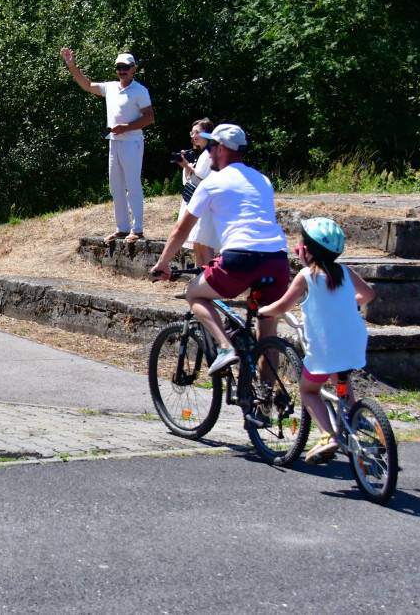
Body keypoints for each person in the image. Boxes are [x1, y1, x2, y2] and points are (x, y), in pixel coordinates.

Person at [151, 123, 290, 374]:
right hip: (278, 259)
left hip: (241, 258)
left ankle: (226, 348)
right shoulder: (263, 179)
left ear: (221, 148)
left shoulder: (213, 183)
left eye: (211, 147)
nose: (208, 153)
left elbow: (181, 230)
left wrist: (162, 264)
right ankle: (266, 403)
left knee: (194, 293)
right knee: (266, 329)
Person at [258, 218, 376, 464]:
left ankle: (327, 437)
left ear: (306, 251)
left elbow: (284, 305)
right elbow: (368, 294)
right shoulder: (345, 271)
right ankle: (354, 414)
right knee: (340, 374)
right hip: (353, 343)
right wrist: (347, 304)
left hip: (324, 349)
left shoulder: (306, 276)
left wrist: (266, 310)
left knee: (309, 390)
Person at [61, 48, 154, 243]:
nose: (122, 71)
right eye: (119, 67)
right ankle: (122, 228)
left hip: (132, 143)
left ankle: (137, 229)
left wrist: (126, 128)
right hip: (115, 143)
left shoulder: (140, 90)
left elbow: (149, 118)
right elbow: (86, 85)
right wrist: (71, 66)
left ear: (133, 69)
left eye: (126, 68)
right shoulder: (111, 87)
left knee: (133, 186)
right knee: (116, 187)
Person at [176, 117, 219, 268]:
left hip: (206, 204)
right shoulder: (201, 154)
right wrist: (187, 164)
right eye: (192, 132)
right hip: (196, 201)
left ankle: (209, 282)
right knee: (197, 244)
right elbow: (189, 179)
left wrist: (187, 165)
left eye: (198, 132)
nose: (194, 136)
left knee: (205, 244)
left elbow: (202, 175)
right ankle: (198, 281)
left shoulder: (210, 153)